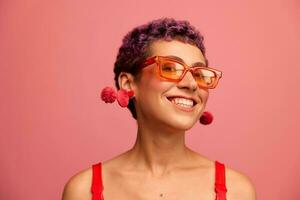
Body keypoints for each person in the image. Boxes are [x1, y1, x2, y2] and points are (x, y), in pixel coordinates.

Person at [62, 17, 256, 200]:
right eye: (170, 68)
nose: (191, 84)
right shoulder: (83, 191)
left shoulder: (236, 191)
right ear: (128, 84)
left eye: (199, 73)